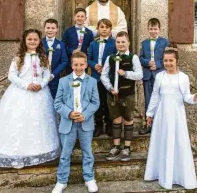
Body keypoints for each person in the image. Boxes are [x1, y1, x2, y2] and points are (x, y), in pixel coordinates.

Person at [0, 29, 60, 169]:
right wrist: (26, 85)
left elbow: (47, 74)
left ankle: (39, 150)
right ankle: (19, 153)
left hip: (40, 93)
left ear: (39, 41)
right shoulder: (19, 57)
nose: (32, 42)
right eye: (29, 39)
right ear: (25, 41)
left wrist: (41, 84)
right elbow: (12, 75)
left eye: (35, 39)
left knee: (38, 121)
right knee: (20, 120)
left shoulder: (43, 57)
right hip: (21, 93)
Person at [144, 47, 197, 190]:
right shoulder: (159, 76)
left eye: (171, 60)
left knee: (178, 144)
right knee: (163, 143)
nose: (168, 63)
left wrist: (195, 97)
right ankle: (160, 173)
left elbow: (186, 97)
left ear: (176, 61)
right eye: (165, 60)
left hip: (177, 116)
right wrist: (150, 114)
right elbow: (155, 96)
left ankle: (178, 175)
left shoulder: (183, 77)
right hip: (162, 116)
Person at [52, 52, 100, 193]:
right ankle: (61, 181)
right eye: (75, 64)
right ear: (71, 65)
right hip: (68, 123)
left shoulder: (92, 81)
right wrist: (69, 113)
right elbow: (58, 103)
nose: (78, 67)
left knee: (87, 152)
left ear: (86, 64)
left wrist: (85, 114)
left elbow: (95, 102)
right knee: (65, 153)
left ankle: (89, 178)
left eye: (81, 64)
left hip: (85, 123)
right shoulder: (63, 81)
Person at [101, 31, 143, 162]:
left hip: (128, 94)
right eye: (118, 42)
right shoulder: (110, 58)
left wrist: (125, 73)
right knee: (116, 119)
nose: (120, 44)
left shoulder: (133, 58)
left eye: (123, 42)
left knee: (128, 119)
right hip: (113, 94)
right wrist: (109, 87)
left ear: (128, 43)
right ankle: (116, 146)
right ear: (115, 43)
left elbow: (139, 75)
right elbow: (104, 75)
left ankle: (127, 148)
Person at [139, 18, 169, 135]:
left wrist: (157, 64)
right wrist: (148, 62)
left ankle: (160, 124)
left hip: (159, 74)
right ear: (147, 29)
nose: (153, 31)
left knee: (161, 100)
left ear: (159, 30)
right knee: (148, 100)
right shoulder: (144, 43)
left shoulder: (164, 42)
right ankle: (148, 124)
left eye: (155, 29)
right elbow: (140, 58)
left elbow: (166, 57)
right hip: (147, 76)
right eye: (151, 29)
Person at [88, 19, 116, 137]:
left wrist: (105, 67)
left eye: (107, 27)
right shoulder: (93, 44)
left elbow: (115, 57)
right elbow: (88, 58)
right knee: (97, 101)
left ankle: (109, 125)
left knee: (108, 101)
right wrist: (95, 65)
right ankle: (98, 125)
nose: (104, 29)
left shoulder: (114, 43)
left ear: (110, 30)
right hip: (95, 76)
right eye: (102, 27)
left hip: (108, 76)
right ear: (98, 29)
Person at [42, 18, 68, 98]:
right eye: (48, 28)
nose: (50, 30)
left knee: (54, 98)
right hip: (40, 77)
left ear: (57, 29)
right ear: (44, 28)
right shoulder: (39, 43)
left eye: (53, 28)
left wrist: (53, 74)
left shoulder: (61, 44)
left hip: (54, 78)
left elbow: (64, 61)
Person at [63, 8, 94, 74]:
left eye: (82, 16)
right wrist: (72, 51)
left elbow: (91, 48)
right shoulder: (68, 31)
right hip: (70, 62)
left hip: (83, 62)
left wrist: (87, 59)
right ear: (74, 18)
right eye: (78, 16)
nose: (80, 18)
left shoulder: (89, 32)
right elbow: (63, 45)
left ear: (85, 18)